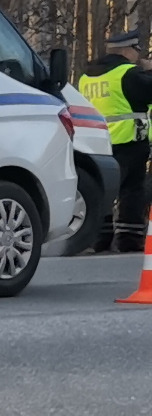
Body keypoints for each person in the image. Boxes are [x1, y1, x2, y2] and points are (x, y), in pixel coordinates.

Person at [80, 35, 152, 254]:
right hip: (127, 141)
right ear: (126, 51)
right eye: (136, 51)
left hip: (95, 142)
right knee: (131, 190)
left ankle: (99, 238)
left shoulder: (87, 75)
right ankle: (128, 239)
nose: (138, 56)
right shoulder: (128, 74)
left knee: (103, 190)